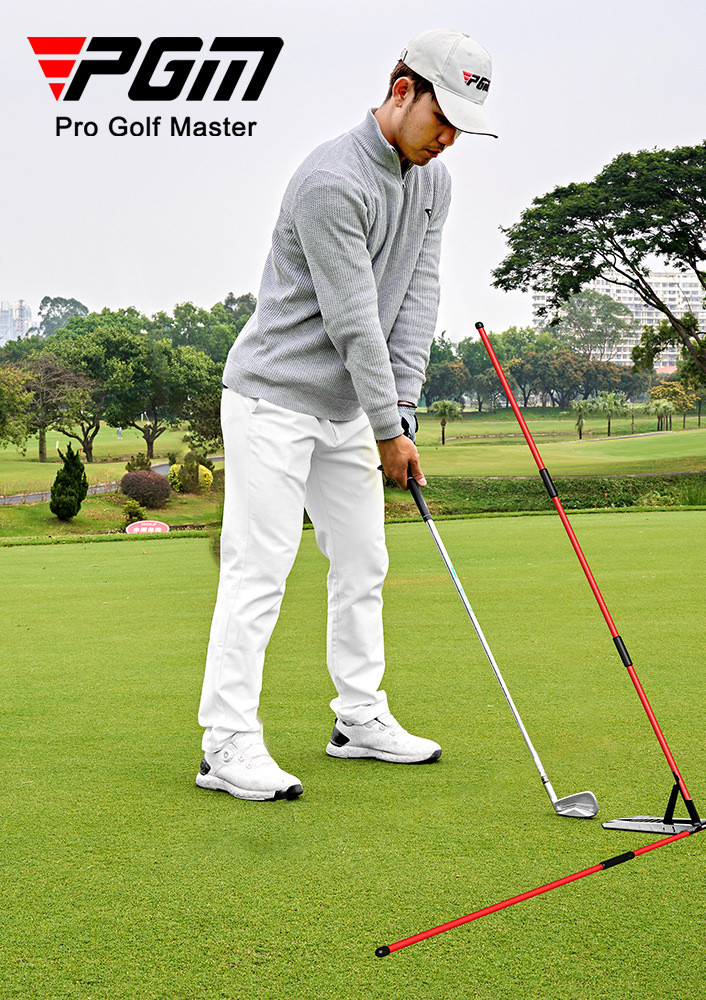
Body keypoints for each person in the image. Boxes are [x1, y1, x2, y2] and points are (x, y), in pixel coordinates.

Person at [196, 28, 497, 801]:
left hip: (350, 410)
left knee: (364, 562)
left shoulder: (433, 183)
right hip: (273, 397)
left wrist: (402, 407)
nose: (449, 139)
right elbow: (355, 319)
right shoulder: (332, 179)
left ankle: (359, 719)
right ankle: (225, 744)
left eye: (462, 127)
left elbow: (417, 295)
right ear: (402, 92)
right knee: (259, 569)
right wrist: (389, 430)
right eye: (443, 118)